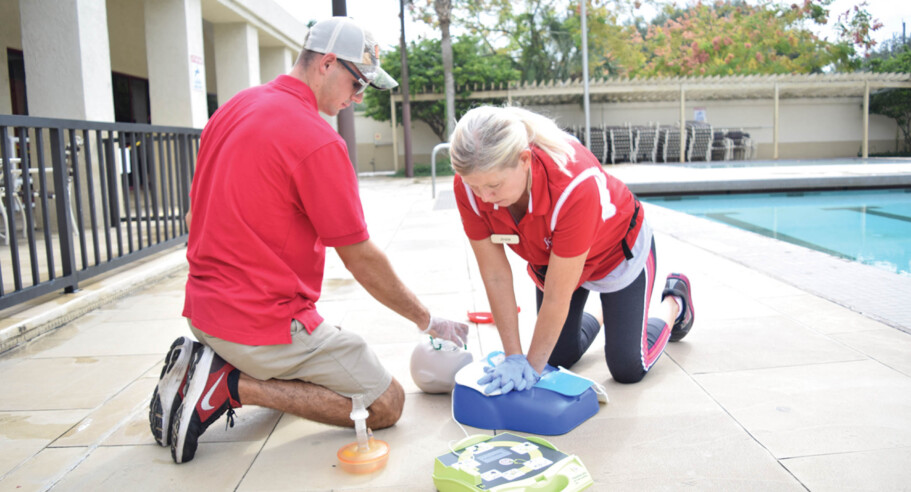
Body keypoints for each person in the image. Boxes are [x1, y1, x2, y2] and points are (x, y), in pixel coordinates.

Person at [148, 17, 469, 464]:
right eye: (357, 84)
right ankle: (228, 383)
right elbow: (360, 259)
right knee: (386, 403)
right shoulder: (316, 140)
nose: (357, 99)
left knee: (329, 355)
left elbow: (194, 212)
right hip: (256, 325)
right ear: (328, 63)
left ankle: (214, 361)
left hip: (203, 310)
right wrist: (428, 319)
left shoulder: (234, 108)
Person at [450, 106, 694, 395]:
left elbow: (556, 296)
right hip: (554, 261)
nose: (485, 198)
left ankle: (675, 302)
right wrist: (514, 356)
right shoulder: (471, 185)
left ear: (524, 160)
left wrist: (532, 369)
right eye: (475, 187)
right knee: (558, 357)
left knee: (627, 367)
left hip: (616, 253)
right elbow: (495, 275)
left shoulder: (574, 186)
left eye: (494, 185)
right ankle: (607, 312)